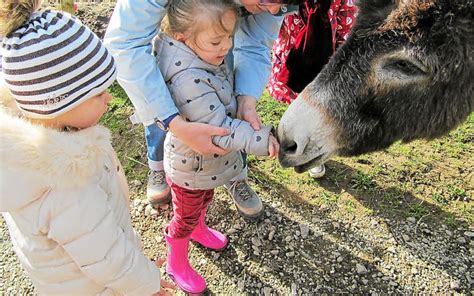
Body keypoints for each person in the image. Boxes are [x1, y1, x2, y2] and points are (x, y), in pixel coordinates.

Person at [0, 2, 175, 295]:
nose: (109, 99)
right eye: (98, 93)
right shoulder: (66, 184)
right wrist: (148, 283)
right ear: (56, 103)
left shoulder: (32, 139)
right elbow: (108, 259)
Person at [104, 0, 306, 220]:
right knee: (161, 94)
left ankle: (234, 174)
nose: (276, 10)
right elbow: (126, 43)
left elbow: (255, 44)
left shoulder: (252, 18)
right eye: (267, 0)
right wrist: (172, 121)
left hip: (208, 34)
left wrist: (245, 99)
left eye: (286, 1)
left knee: (221, 75)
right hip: (184, 39)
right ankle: (159, 164)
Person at [152, 0, 280, 293]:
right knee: (183, 217)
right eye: (216, 40)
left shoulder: (204, 56)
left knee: (204, 200)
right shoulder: (188, 78)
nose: (226, 47)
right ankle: (177, 260)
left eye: (230, 38)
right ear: (183, 37)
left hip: (204, 166)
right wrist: (264, 139)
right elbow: (219, 130)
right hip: (190, 168)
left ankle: (198, 228)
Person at [267, 0, 357, 178]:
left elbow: (347, 27)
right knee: (297, 100)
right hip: (293, 54)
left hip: (323, 58)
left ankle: (314, 153)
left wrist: (338, 62)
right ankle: (293, 137)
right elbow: (273, 16)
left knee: (318, 108)